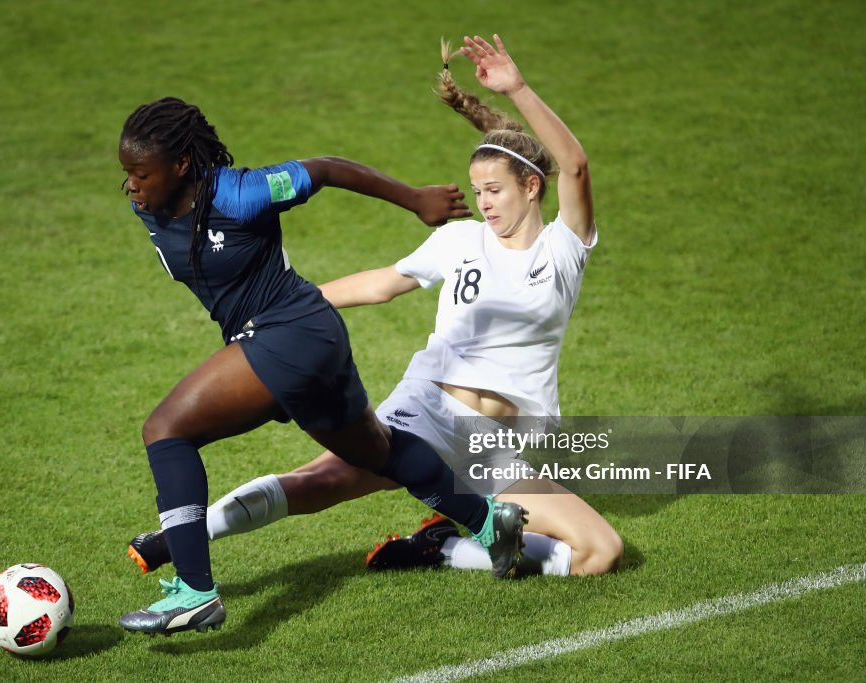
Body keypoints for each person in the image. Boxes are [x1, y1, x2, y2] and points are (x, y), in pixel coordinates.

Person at [126, 34, 622, 581]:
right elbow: (381, 285)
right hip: (430, 408)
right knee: (323, 480)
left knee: (599, 553)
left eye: (494, 191)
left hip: (495, 448)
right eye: (477, 191)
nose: (482, 203)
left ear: (532, 187)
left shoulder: (563, 250)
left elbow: (574, 166)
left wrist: (518, 89)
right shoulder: (459, 240)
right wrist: (279, 322)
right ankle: (182, 537)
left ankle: (441, 548)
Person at [115, 91, 529, 636]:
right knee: (379, 450)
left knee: (165, 430)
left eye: (141, 174)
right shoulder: (148, 205)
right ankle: (488, 521)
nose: (131, 185)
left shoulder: (240, 194)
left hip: (289, 331)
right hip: (304, 337)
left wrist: (414, 200)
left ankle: (195, 592)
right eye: (127, 174)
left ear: (182, 165)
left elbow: (327, 170)